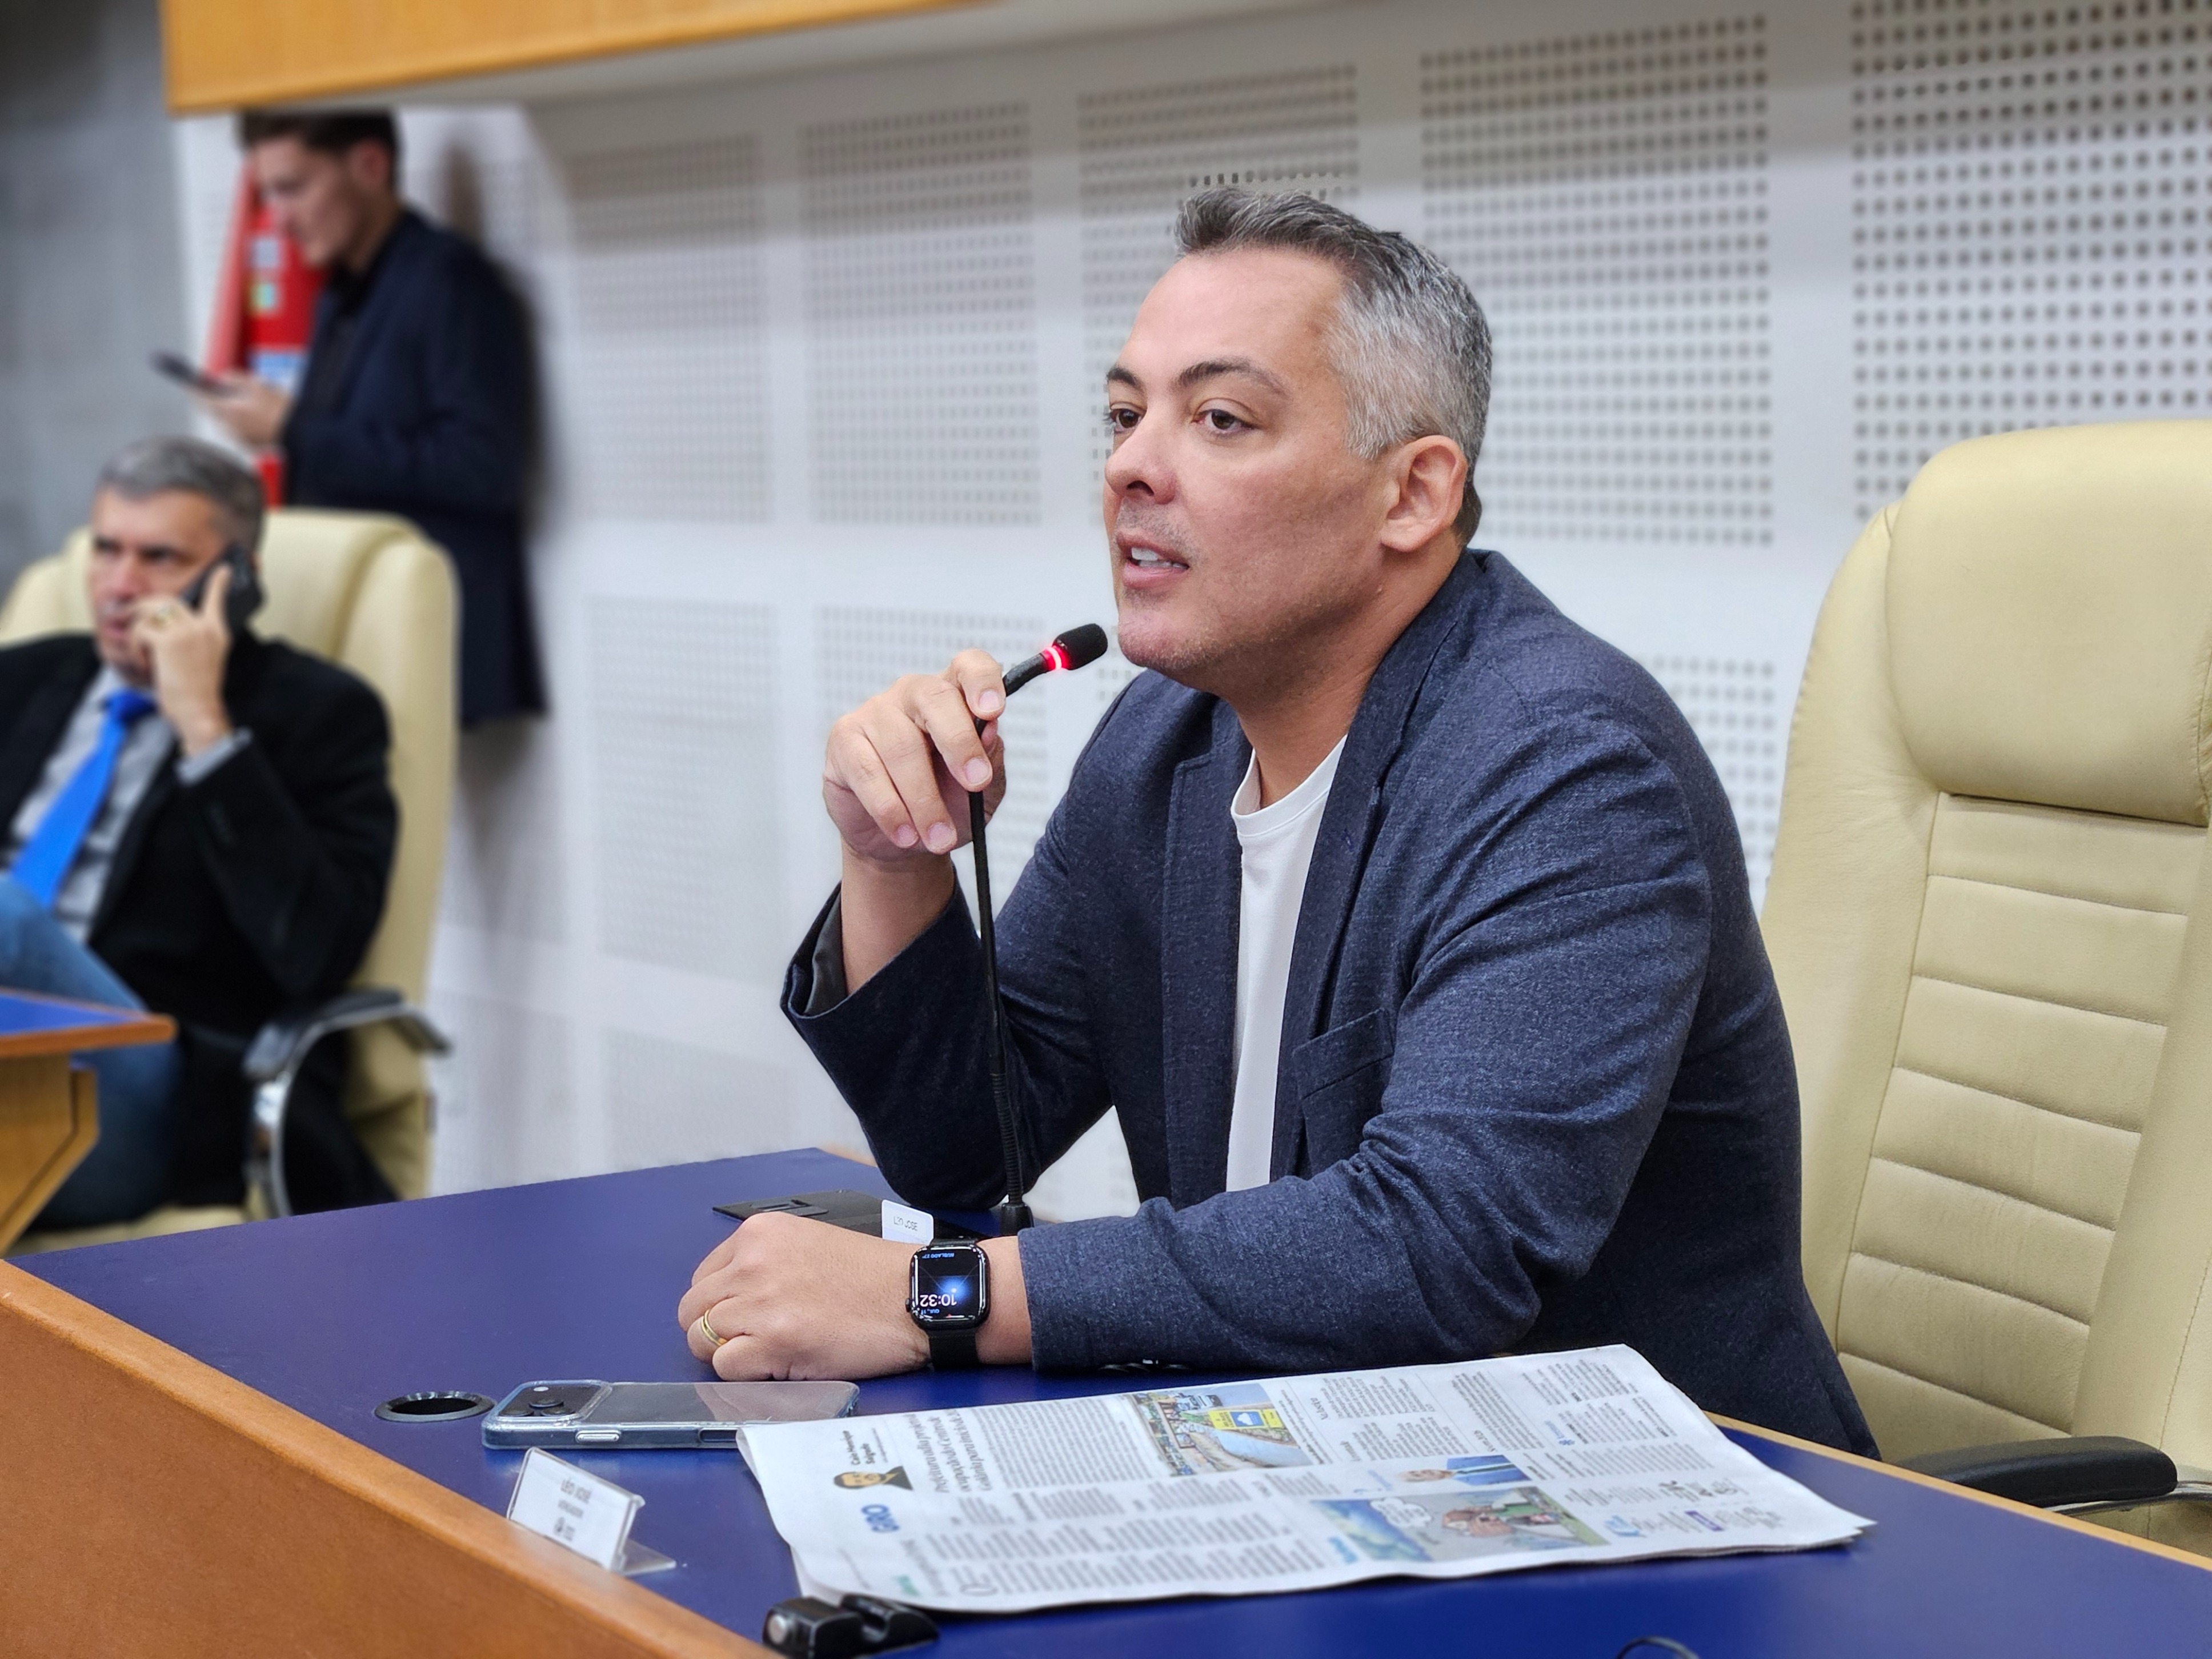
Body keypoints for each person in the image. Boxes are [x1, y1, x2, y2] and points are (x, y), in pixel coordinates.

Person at [676, 190, 1874, 1456]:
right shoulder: (1161, 744)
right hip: (1312, 1454)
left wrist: (937, 1296)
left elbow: (1440, 1245)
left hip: (1643, 1494)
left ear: (1411, 493)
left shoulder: (1566, 767)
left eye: (1219, 419)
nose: (1131, 467)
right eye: (1125, 415)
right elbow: (968, 1143)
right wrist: (889, 859)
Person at [0, 438, 399, 1225]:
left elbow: (315, 950)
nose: (119, 586)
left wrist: (204, 731)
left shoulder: (318, 715)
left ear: (235, 577)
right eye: (106, 549)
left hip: (143, 1095)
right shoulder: (22, 678)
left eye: (159, 558)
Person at [199, 109, 546, 727]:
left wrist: (291, 428)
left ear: (370, 166)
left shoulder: (448, 279)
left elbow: (483, 465)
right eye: (268, 194)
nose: (279, 218)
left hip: (423, 627)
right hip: (357, 612)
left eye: (293, 188)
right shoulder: (343, 287)